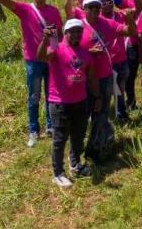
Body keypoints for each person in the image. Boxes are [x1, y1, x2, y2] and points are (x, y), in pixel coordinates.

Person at [0, 0, 63, 148]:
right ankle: (34, 130)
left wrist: (58, 53)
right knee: (34, 96)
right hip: (33, 60)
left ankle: (51, 127)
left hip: (50, 58)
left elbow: (61, 34)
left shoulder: (54, 11)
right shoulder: (25, 9)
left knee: (52, 95)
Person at [35, 19, 100, 189]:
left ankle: (75, 164)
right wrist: (44, 39)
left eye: (79, 31)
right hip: (60, 103)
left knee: (78, 135)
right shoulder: (57, 48)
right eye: (73, 31)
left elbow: (92, 77)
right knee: (60, 139)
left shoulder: (85, 52)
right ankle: (58, 173)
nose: (77, 34)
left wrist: (98, 97)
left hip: (81, 101)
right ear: (65, 33)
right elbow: (41, 56)